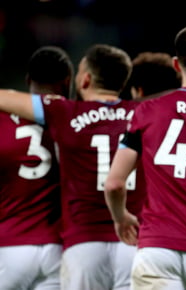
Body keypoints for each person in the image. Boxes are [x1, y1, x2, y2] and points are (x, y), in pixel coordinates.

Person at [0, 43, 140, 290]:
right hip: (125, 242)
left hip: (69, 243)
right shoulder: (142, 112)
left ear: (84, 79)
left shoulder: (64, 112)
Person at [104, 23, 186, 290]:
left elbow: (114, 183)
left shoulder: (147, 110)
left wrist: (121, 217)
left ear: (176, 64)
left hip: (156, 249)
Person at [0, 46, 74, 290]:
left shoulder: (2, 120)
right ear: (67, 82)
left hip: (9, 246)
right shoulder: (77, 121)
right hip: (59, 247)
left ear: (28, 80)